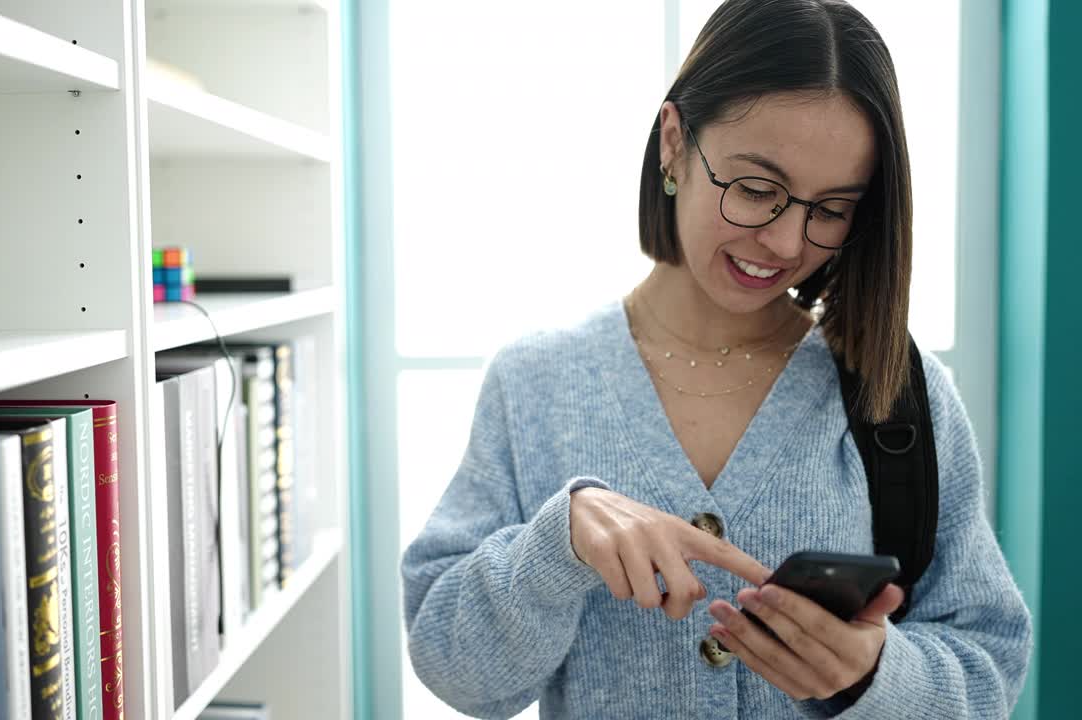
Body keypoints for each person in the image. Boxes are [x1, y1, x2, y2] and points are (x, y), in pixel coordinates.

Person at [399, 0, 1033, 717]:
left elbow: (986, 670)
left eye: (830, 208)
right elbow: (458, 673)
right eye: (757, 190)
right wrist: (556, 546)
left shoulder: (899, 394)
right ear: (673, 142)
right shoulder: (534, 384)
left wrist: (873, 676)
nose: (789, 244)